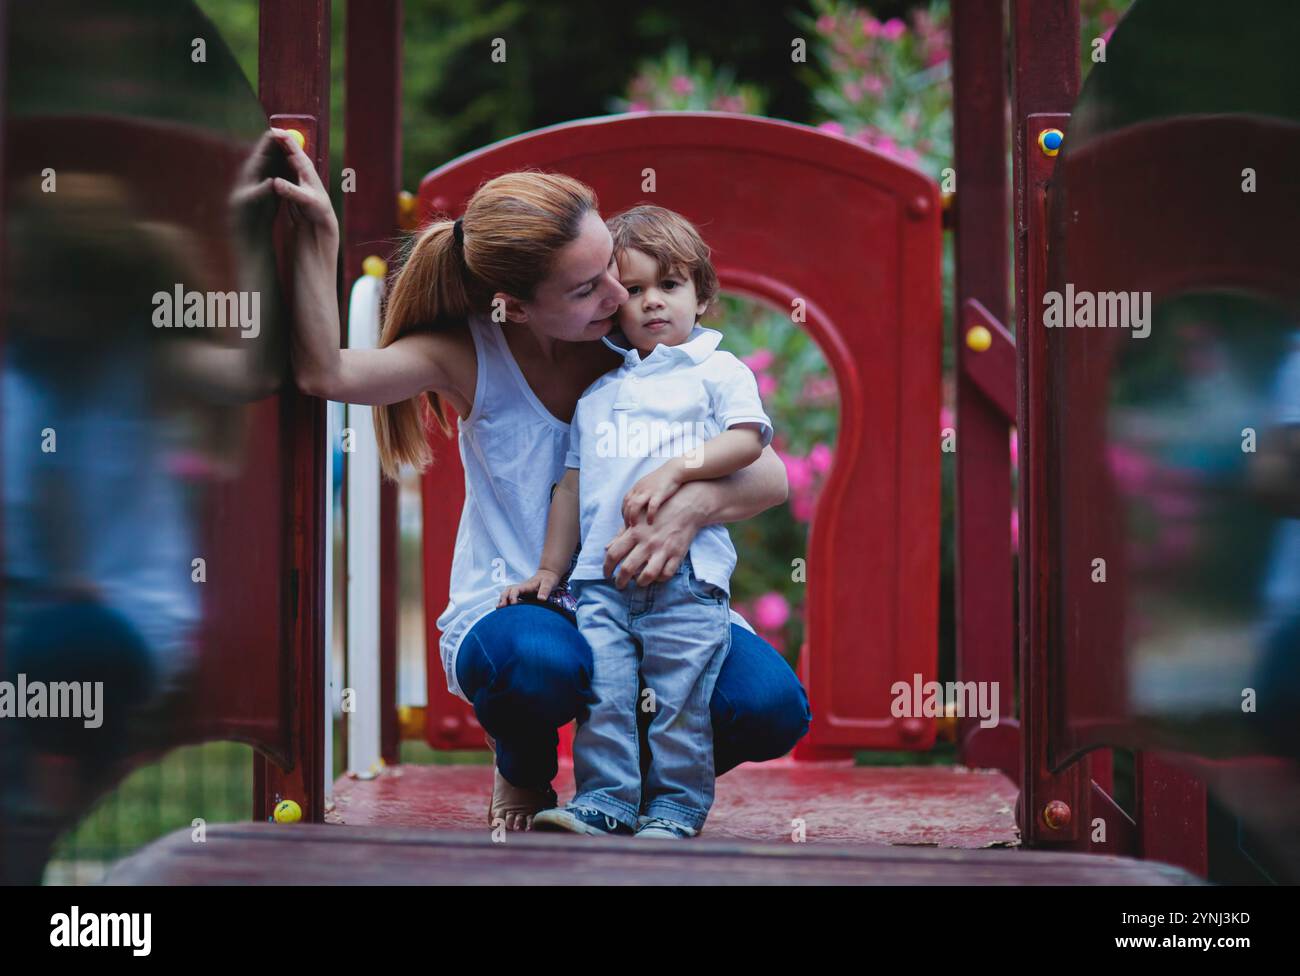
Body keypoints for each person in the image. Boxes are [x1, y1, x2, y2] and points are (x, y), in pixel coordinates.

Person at [269, 129, 812, 830]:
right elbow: (326, 374)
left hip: (652, 602)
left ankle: (628, 786)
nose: (621, 295)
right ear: (514, 306)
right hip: (527, 601)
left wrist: (689, 508)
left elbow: (766, 474)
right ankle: (523, 771)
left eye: (614, 269)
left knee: (769, 707)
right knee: (533, 665)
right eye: (590, 288)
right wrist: (318, 236)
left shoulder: (638, 350)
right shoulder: (470, 355)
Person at [499, 206, 771, 838]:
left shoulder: (715, 370)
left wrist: (678, 470)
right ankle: (606, 801)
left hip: (687, 580)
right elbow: (570, 487)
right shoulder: (599, 395)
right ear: (615, 306)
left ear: (701, 296)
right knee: (608, 697)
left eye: (670, 286)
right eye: (636, 290)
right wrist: (548, 569)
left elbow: (748, 441)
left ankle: (675, 806)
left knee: (680, 699)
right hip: (600, 578)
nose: (653, 303)